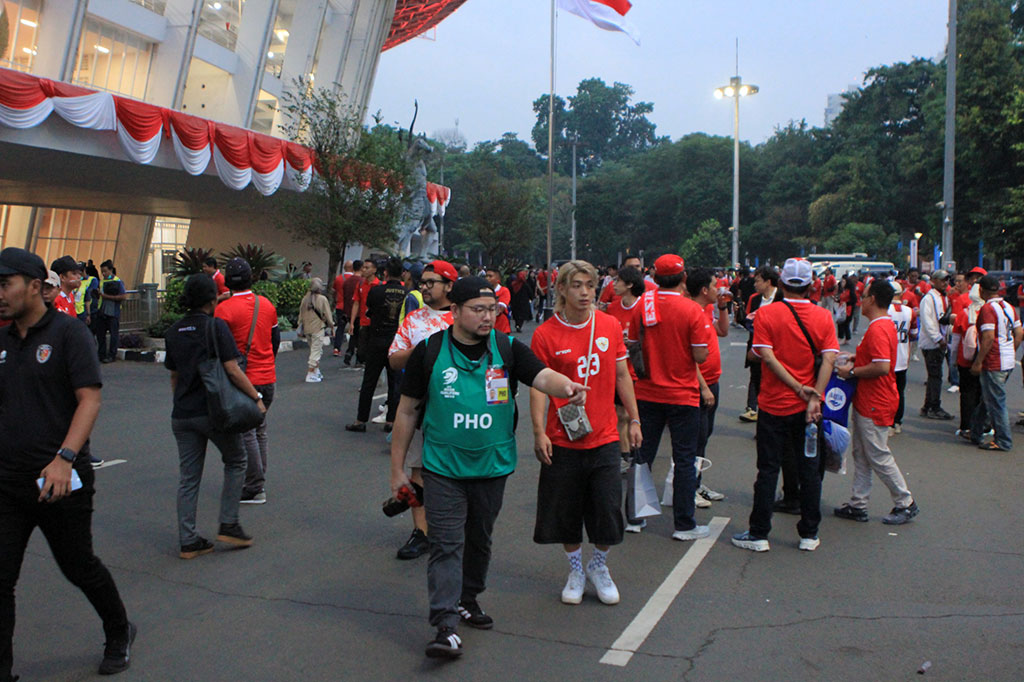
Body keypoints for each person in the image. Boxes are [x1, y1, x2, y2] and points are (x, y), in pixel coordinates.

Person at [389, 276, 589, 659]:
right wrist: (398, 469)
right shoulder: (429, 352)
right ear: (455, 312)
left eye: (492, 309)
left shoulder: (507, 348)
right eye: (478, 310)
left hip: (492, 465)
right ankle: (444, 626)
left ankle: (468, 598)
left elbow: (541, 375)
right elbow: (407, 410)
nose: (487, 317)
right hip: (442, 466)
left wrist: (565, 387)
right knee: (446, 544)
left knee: (479, 539)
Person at [0, 247, 136, 679]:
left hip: (60, 481)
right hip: (8, 481)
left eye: (5, 284)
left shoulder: (67, 333)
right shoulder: (1, 340)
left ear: (35, 286)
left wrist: (64, 458)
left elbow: (89, 399)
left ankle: (119, 631)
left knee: (79, 567)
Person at [530, 261, 641, 606]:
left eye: (590, 286)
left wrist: (634, 419)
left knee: (608, 509)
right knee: (566, 511)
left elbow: (622, 375)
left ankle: (599, 565)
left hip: (605, 435)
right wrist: (538, 432)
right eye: (576, 285)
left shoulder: (607, 325)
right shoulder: (546, 334)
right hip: (563, 437)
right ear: (560, 288)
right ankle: (575, 568)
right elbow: (536, 387)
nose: (584, 293)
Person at [732, 258, 838, 553]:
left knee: (767, 470)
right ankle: (809, 533)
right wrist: (814, 395)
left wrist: (794, 387)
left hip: (773, 404)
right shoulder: (823, 317)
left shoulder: (768, 315)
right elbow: (829, 359)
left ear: (780, 284)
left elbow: (765, 355)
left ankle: (759, 533)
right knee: (809, 470)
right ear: (811, 285)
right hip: (809, 410)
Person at [164, 274, 262, 558]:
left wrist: (180, 403)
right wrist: (256, 398)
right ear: (212, 299)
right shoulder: (215, 327)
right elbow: (232, 370)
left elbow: (174, 375)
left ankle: (188, 539)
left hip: (182, 415)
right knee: (236, 459)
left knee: (188, 478)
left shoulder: (173, 332)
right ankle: (229, 523)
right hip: (213, 412)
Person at [626, 254, 711, 540]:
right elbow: (700, 353)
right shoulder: (691, 310)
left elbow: (633, 345)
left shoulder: (642, 306)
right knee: (685, 459)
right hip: (683, 394)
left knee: (643, 456)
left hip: (647, 392)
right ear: (683, 278)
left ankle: (636, 517)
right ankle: (684, 525)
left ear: (654, 276)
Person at [833, 280, 920, 525]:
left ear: (872, 299)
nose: (861, 298)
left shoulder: (879, 328)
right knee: (862, 453)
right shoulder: (881, 325)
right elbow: (877, 359)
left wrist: (852, 372)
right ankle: (858, 503)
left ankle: (905, 502)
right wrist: (856, 357)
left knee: (877, 454)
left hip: (875, 400)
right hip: (870, 399)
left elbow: (881, 366)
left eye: (864, 295)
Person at [388, 260, 458, 561]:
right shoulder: (414, 320)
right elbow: (393, 359)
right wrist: (422, 351)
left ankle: (452, 529)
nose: (424, 286)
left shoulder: (463, 317)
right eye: (423, 281)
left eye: (432, 282)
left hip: (457, 409)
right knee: (419, 467)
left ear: (450, 286)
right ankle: (421, 532)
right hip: (418, 408)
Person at [215, 258, 279, 505]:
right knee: (259, 430)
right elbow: (273, 341)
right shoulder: (266, 305)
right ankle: (258, 479)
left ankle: (254, 486)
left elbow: (220, 350)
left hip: (244, 380)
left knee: (246, 433)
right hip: (267, 378)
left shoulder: (224, 310)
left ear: (228, 282)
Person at [685, 268, 730, 507]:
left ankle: (697, 482)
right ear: (703, 289)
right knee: (695, 437)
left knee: (704, 436)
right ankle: (686, 486)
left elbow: (723, 331)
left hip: (713, 381)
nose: (718, 289)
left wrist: (722, 307)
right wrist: (703, 387)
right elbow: (687, 356)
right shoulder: (690, 312)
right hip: (699, 386)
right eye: (714, 286)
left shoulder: (708, 309)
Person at [347, 258, 405, 432]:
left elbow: (369, 312)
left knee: (369, 381)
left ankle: (360, 420)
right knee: (395, 382)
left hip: (377, 339)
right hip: (397, 342)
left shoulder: (377, 291)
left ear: (385, 273)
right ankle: (391, 420)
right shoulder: (407, 293)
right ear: (402, 273)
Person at [970, 275, 1023, 451]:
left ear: (981, 291)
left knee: (996, 403)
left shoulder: (988, 309)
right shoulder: (1008, 306)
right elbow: (1019, 333)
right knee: (988, 399)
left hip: (994, 361)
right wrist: (1011, 350)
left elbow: (988, 337)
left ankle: (1003, 440)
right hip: (1007, 360)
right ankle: (975, 431)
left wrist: (978, 361)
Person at [605, 266, 644, 475]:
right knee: (620, 414)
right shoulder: (612, 308)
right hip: (618, 370)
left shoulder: (643, 308)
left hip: (638, 370)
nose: (614, 284)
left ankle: (638, 453)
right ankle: (624, 455)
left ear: (630, 284)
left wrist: (634, 344)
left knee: (634, 414)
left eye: (618, 281)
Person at [739, 266, 779, 423]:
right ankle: (753, 409)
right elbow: (748, 321)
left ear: (768, 282)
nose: (755, 284)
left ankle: (768, 415)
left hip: (775, 347)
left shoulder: (780, 297)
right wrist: (741, 316)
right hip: (756, 345)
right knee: (756, 377)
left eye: (758, 281)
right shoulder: (754, 299)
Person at [918, 270, 953, 420]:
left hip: (939, 340)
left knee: (934, 375)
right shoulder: (929, 298)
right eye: (942, 280)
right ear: (934, 281)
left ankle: (928, 406)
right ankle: (934, 406)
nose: (945, 283)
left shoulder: (941, 297)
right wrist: (938, 338)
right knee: (935, 376)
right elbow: (928, 322)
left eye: (947, 280)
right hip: (932, 342)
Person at [887, 282, 916, 435]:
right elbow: (914, 333)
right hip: (903, 356)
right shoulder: (910, 311)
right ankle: (897, 422)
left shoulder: (885, 310)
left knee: (886, 391)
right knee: (900, 391)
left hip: (887, 357)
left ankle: (889, 422)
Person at [297, 278, 335, 383]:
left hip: (307, 328)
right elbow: (328, 314)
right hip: (318, 328)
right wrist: (331, 326)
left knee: (314, 349)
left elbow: (300, 314)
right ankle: (311, 373)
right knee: (316, 351)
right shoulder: (322, 299)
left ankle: (316, 371)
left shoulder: (305, 299)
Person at [346, 260, 379, 367]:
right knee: (362, 348)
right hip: (363, 322)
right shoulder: (360, 284)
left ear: (374, 270)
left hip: (376, 323)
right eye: (363, 267)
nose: (364, 270)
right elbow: (356, 303)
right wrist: (351, 322)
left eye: (367, 267)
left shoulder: (379, 285)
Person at [95, 260, 126, 364]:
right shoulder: (102, 281)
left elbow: (123, 296)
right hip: (102, 311)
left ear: (111, 270)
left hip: (113, 312)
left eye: (105, 271)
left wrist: (106, 296)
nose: (103, 274)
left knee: (114, 334)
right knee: (100, 334)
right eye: (102, 272)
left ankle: (112, 355)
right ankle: (102, 354)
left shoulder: (118, 281)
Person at [341, 259, 364, 362]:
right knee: (360, 335)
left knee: (353, 333)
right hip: (360, 312)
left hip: (349, 311)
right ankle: (359, 356)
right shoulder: (362, 282)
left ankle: (349, 351)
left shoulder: (347, 282)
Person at [331, 260, 354, 357]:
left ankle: (336, 348)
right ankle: (351, 349)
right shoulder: (355, 279)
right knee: (353, 328)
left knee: (340, 328)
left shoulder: (338, 279)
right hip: (352, 307)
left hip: (340, 306)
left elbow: (334, 292)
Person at [484, 266, 512, 334]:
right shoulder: (483, 291)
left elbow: (499, 309)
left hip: (501, 329)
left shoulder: (504, 291)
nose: (487, 278)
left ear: (498, 279)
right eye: (486, 276)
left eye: (490, 276)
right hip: (486, 328)